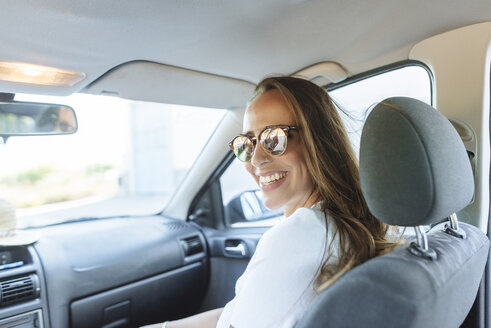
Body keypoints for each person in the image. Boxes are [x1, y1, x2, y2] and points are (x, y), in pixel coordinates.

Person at [142, 76, 399, 328]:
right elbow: (236, 314)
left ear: (318, 142)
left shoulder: (297, 237)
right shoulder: (349, 226)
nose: (255, 159)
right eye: (248, 143)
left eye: (274, 138)